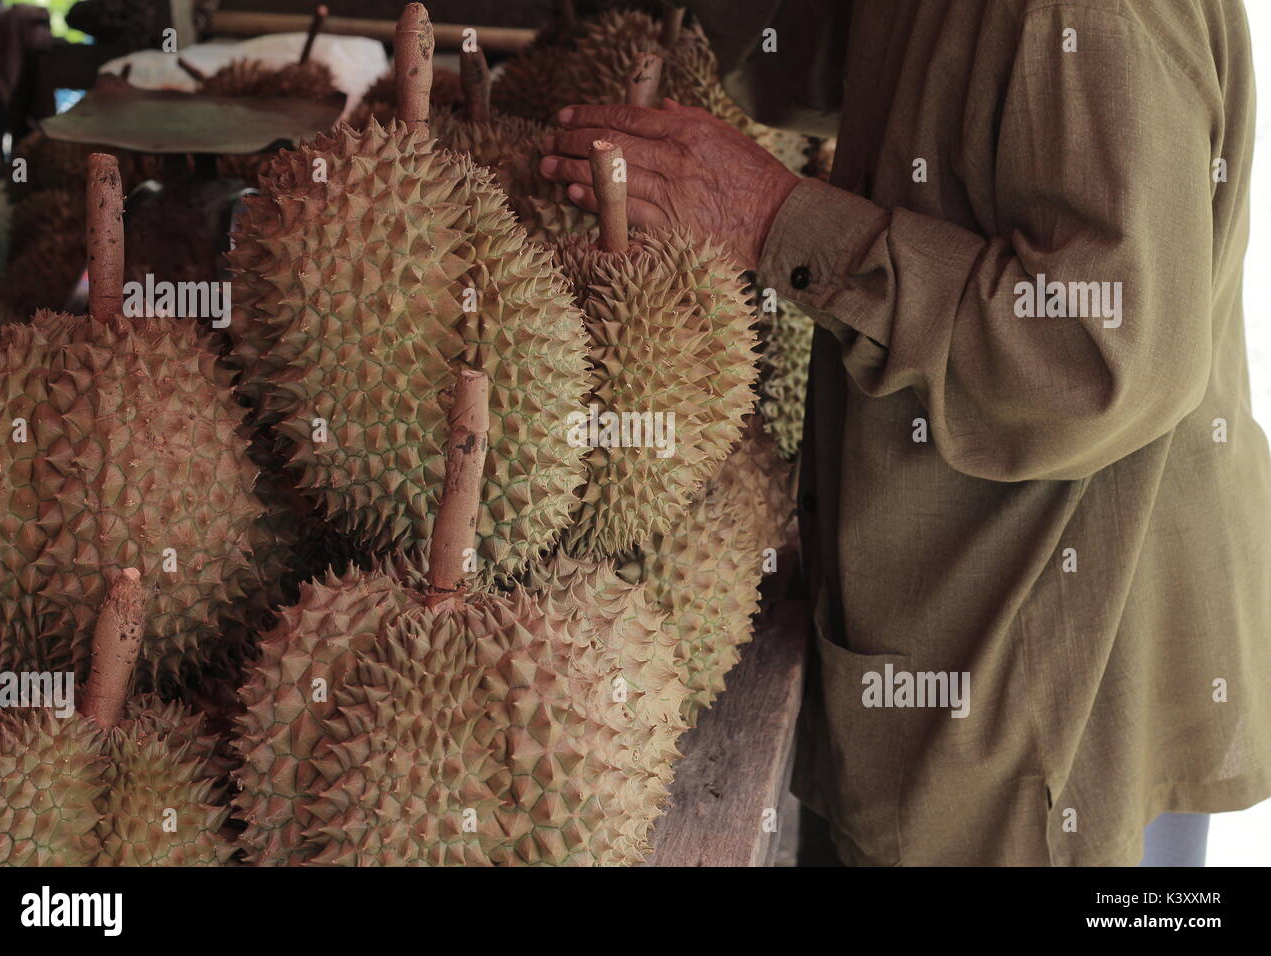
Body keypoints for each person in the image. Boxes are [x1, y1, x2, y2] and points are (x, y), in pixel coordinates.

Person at [540, 0, 1271, 866]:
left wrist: (780, 221)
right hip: (950, 638)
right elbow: (811, 59)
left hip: (1059, 691)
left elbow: (1096, 356)